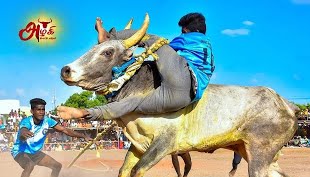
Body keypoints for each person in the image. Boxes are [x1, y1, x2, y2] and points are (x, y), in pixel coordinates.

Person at [57, 13, 214, 151]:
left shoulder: (186, 38)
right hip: (187, 96)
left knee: (158, 42)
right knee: (132, 103)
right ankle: (86, 113)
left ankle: (112, 37)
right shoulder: (208, 45)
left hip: (184, 78)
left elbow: (165, 50)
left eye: (182, 29)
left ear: (185, 29)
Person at [11, 98, 92, 177]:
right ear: (32, 111)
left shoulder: (47, 121)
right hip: (20, 151)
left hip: (35, 153)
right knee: (29, 165)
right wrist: (23, 133)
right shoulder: (27, 121)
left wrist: (83, 136)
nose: (41, 112)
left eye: (43, 109)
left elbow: (65, 130)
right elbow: (23, 130)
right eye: (38, 110)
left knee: (57, 166)